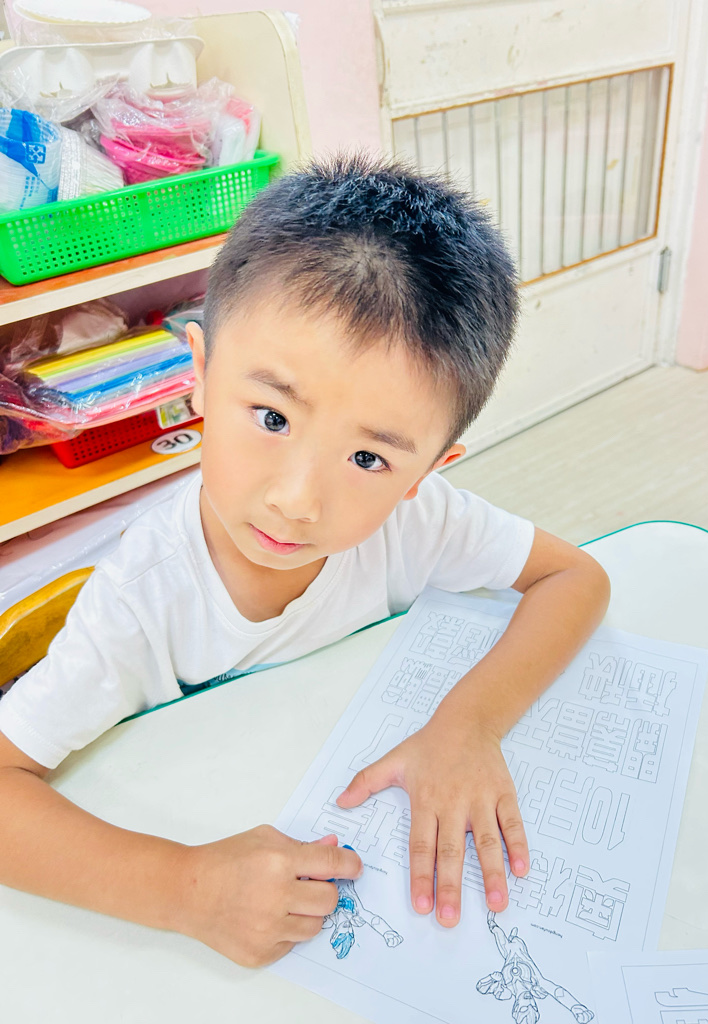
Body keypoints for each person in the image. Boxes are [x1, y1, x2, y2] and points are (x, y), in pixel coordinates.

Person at [0, 155, 610, 969]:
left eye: (368, 460)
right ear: (199, 376)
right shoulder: (143, 599)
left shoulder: (418, 520)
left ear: (428, 471)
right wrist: (185, 890)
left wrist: (467, 726)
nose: (297, 500)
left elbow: (576, 578)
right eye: (271, 417)